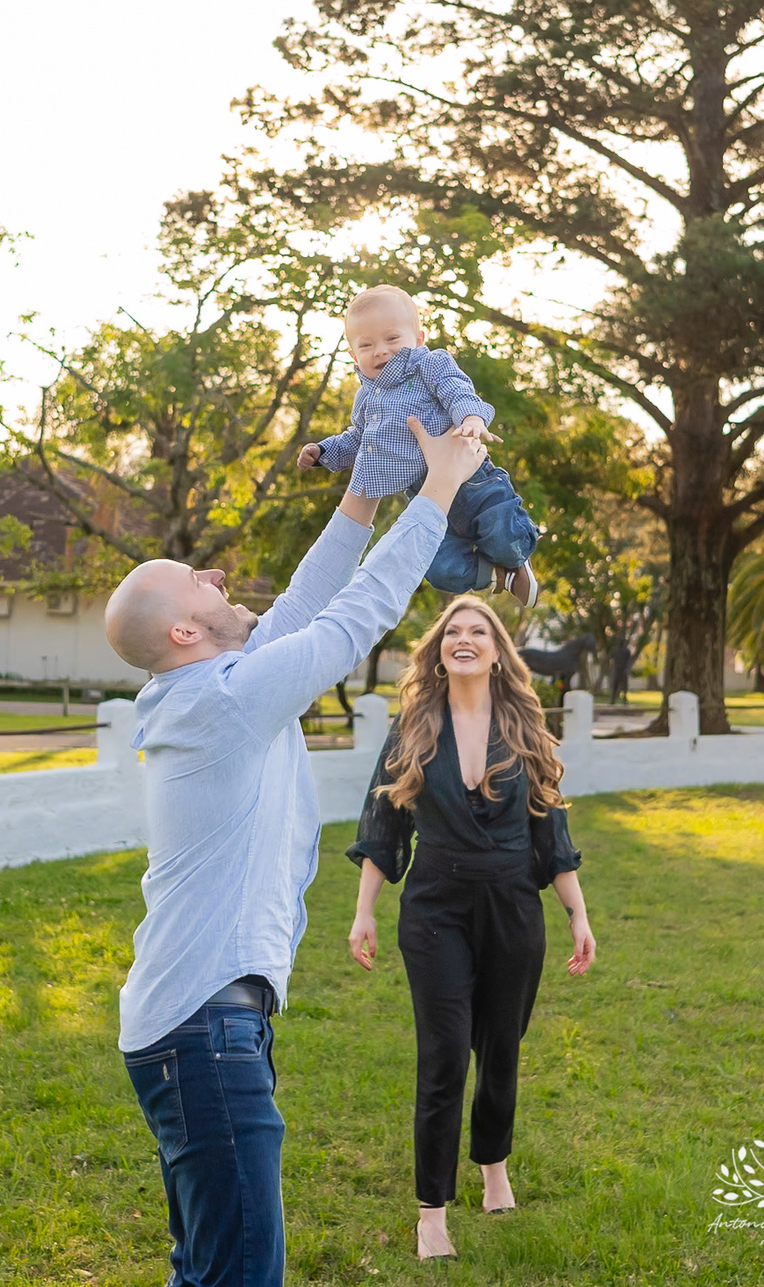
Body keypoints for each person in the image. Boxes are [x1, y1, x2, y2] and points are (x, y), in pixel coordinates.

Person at [104, 418, 487, 1287]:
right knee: (237, 1274)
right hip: (202, 1028)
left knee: (209, 1268)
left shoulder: (216, 685)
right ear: (184, 633)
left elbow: (309, 600)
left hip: (198, 1025)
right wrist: (439, 487)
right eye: (193, 581)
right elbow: (355, 617)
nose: (214, 574)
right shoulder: (223, 701)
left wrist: (367, 484)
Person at [347, 595, 596, 1261]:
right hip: (436, 908)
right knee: (445, 1054)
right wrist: (365, 909)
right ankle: (431, 1214)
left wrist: (577, 913)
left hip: (513, 907)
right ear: (438, 650)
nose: (464, 638)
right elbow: (383, 826)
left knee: (501, 1049)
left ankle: (493, 1168)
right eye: (452, 631)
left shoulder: (524, 726)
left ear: (495, 651)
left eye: (477, 630)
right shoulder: (413, 728)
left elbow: (551, 832)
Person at [298, 284, 540, 606]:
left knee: (503, 533)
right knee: (437, 568)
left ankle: (517, 554)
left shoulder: (429, 365)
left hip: (471, 481)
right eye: (367, 345)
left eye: (392, 339)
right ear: (353, 355)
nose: (380, 351)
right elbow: (358, 439)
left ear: (419, 339)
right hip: (426, 497)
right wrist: (324, 452)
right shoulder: (365, 398)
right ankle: (497, 576)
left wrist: (471, 418)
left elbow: (456, 389)